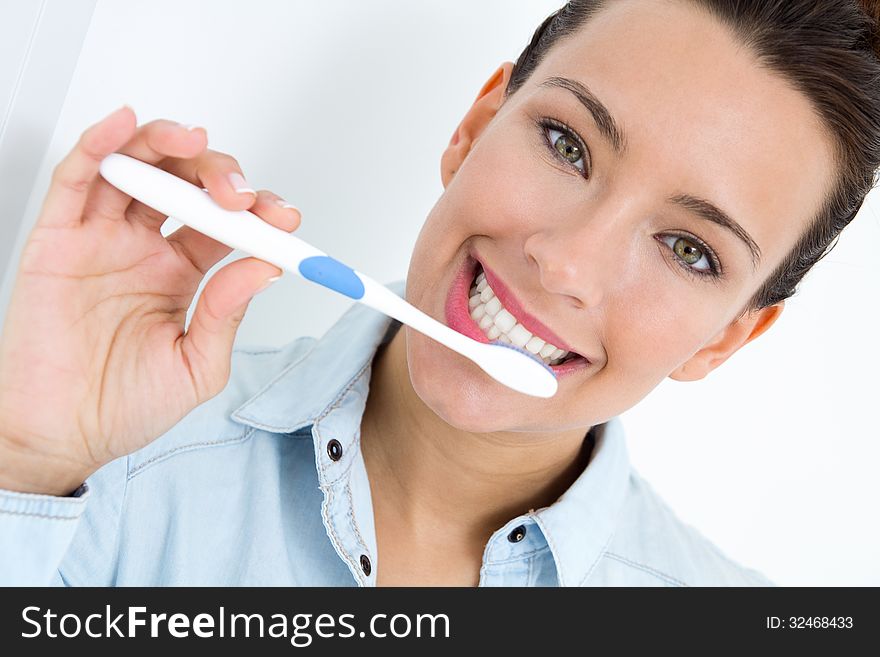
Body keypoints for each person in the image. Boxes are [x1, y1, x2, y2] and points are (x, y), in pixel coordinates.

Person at [1, 0, 878, 587]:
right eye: (568, 145)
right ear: (474, 126)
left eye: (687, 248)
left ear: (726, 338)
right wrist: (26, 462)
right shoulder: (108, 472)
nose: (566, 264)